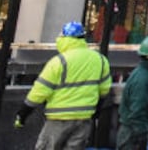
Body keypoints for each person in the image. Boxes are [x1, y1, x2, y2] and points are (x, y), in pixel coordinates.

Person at [13, 21, 112, 150]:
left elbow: (39, 92)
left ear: (65, 38)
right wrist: (95, 111)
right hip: (84, 119)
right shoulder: (100, 60)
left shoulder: (59, 62)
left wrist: (23, 114)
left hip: (58, 120)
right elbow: (104, 90)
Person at [116, 35, 148, 150]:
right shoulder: (144, 79)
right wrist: (141, 135)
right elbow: (137, 111)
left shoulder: (144, 75)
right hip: (132, 135)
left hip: (132, 133)